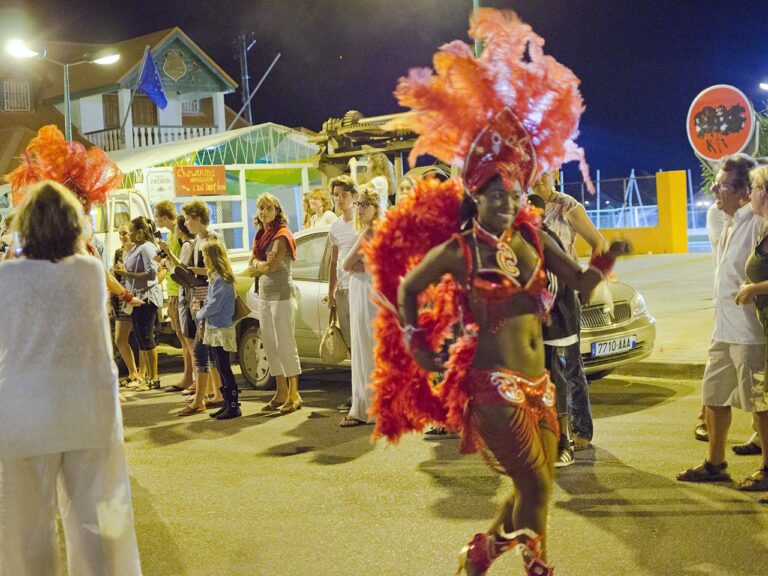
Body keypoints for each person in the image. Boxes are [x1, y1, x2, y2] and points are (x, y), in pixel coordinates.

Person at [365, 10, 627, 575]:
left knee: (541, 485)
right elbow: (408, 289)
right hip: (492, 389)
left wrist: (606, 258)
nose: (507, 204)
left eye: (513, 194)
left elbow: (578, 283)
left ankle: (482, 553)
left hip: (541, 385)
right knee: (534, 485)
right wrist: (416, 342)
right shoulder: (460, 250)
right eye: (495, 196)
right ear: (475, 196)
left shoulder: (532, 239)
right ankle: (535, 565)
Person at [0, 181, 142, 575]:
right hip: (88, 408)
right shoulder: (90, 271)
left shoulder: (6, 277)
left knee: (23, 525)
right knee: (102, 518)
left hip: (23, 409)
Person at [677, 154, 767, 485]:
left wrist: (754, 288)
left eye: (723, 184)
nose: (715, 188)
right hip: (724, 327)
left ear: (745, 191)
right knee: (714, 395)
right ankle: (715, 464)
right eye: (717, 181)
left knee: (760, 403)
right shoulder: (725, 219)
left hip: (751, 331)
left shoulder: (758, 223)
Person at [531, 172, 608, 454]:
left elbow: (599, 243)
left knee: (572, 365)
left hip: (564, 295)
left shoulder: (567, 206)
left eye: (543, 173)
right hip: (537, 298)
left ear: (554, 174)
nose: (537, 179)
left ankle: (581, 430)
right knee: (546, 368)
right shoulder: (526, 208)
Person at [248, 193, 302, 414]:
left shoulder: (281, 234)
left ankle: (294, 393)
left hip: (281, 296)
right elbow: (255, 263)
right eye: (261, 208)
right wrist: (261, 263)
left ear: (277, 211)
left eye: (269, 208)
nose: (264, 212)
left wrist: (259, 266)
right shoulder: (262, 234)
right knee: (269, 344)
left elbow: (273, 265)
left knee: (285, 344)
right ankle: (280, 392)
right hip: (265, 296)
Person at [178, 201, 224, 415]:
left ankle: (199, 401)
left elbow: (216, 269)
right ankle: (217, 393)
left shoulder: (212, 238)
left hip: (209, 298)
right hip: (197, 297)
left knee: (200, 348)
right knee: (207, 349)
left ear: (197, 218)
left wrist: (191, 270)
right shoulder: (197, 240)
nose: (186, 223)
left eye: (188, 218)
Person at [339, 184, 380, 427]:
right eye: (358, 204)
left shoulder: (369, 232)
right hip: (367, 288)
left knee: (364, 346)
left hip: (366, 289)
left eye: (365, 204)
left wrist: (351, 265)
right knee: (369, 346)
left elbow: (345, 262)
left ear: (376, 207)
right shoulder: (374, 230)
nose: (360, 208)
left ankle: (363, 408)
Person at [114, 216, 163, 390]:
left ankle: (153, 378)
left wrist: (127, 274)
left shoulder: (147, 248)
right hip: (135, 297)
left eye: (132, 231)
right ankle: (146, 377)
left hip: (146, 298)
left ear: (140, 233)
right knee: (141, 339)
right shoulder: (136, 248)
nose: (129, 234)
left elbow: (152, 274)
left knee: (147, 337)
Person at [197, 239, 240, 419]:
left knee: (224, 367)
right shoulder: (215, 278)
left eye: (205, 255)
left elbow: (214, 305)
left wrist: (199, 314)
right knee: (219, 366)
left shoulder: (222, 279)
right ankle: (226, 402)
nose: (203, 259)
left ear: (213, 257)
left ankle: (233, 405)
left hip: (222, 327)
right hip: (214, 327)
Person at [154, 201, 193, 391]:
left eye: (157, 216)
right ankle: (188, 377)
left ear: (164, 216)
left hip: (179, 289)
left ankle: (189, 379)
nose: (155, 220)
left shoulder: (179, 237)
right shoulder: (170, 235)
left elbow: (181, 265)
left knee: (186, 338)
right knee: (181, 336)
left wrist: (167, 258)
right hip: (172, 289)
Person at [328, 175, 358, 410]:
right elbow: (333, 260)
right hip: (342, 290)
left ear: (353, 196)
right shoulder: (336, 225)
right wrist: (331, 292)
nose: (339, 199)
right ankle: (356, 392)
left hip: (360, 287)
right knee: (350, 345)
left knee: (363, 343)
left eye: (343, 194)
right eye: (336, 195)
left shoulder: (361, 222)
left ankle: (367, 393)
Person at [112, 222, 142, 386]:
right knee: (120, 339)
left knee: (141, 337)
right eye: (120, 234)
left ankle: (142, 375)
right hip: (122, 298)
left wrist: (126, 272)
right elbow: (115, 277)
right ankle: (133, 373)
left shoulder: (139, 251)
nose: (122, 237)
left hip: (135, 297)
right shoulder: (119, 252)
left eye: (125, 233)